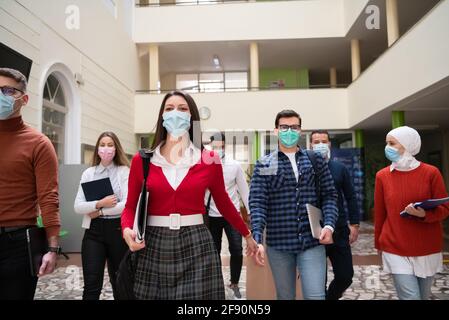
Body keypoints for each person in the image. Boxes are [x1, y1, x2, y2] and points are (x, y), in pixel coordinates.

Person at [120, 90, 260, 300]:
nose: (175, 113)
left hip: (196, 242)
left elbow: (224, 203)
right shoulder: (143, 161)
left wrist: (247, 235)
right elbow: (130, 206)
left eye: (182, 109)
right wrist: (127, 229)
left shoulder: (209, 159)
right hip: (153, 243)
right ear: (162, 116)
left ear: (192, 117)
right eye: (169, 109)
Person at [249, 109, 338, 300]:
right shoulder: (265, 164)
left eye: (294, 127)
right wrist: (257, 238)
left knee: (316, 296)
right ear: (276, 131)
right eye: (284, 127)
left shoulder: (315, 161)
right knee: (285, 296)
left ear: (300, 131)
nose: (289, 131)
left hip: (312, 241)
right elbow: (257, 203)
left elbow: (330, 195)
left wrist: (329, 225)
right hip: (279, 244)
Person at [0, 68, 61, 300]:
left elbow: (49, 198)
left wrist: (53, 248)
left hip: (17, 245)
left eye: (7, 90)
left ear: (23, 99)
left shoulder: (38, 143)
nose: (0, 95)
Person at [374, 126, 449, 300]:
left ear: (407, 145)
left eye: (392, 143)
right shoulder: (382, 176)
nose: (387, 148)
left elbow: (444, 209)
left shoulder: (431, 173)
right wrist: (379, 243)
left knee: (422, 296)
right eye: (387, 143)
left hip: (427, 247)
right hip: (394, 246)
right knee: (411, 297)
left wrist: (423, 215)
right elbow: (380, 213)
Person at [74, 132, 130, 300]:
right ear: (97, 148)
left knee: (120, 282)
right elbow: (78, 206)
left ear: (117, 148)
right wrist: (100, 203)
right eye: (103, 144)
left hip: (118, 230)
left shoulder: (123, 171)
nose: (106, 148)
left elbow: (126, 204)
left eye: (110, 144)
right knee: (91, 285)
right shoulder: (89, 173)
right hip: (94, 232)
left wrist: (99, 211)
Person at [310, 130, 360, 300]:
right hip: (314, 232)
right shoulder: (306, 168)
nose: (320, 145)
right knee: (317, 280)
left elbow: (351, 196)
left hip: (338, 229)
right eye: (316, 142)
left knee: (345, 275)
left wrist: (354, 224)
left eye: (323, 141)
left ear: (330, 144)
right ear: (310, 145)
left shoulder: (340, 168)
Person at [205, 132, 250, 300]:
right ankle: (215, 281)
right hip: (211, 215)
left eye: (221, 145)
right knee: (213, 250)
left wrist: (252, 213)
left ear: (225, 146)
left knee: (236, 249)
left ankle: (235, 282)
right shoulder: (205, 164)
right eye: (215, 145)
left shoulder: (234, 165)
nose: (218, 148)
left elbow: (245, 192)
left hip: (231, 214)